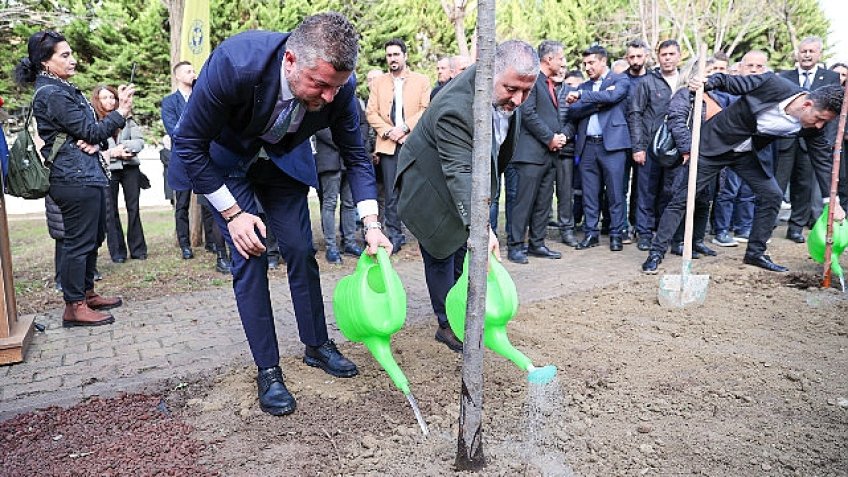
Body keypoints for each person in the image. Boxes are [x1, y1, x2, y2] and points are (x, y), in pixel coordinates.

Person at [170, 13, 391, 417]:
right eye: (319, 85)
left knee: (300, 249)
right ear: (290, 61)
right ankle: (268, 370)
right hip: (227, 162)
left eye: (335, 87)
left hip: (283, 161)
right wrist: (234, 214)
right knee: (250, 254)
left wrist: (372, 224)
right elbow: (187, 142)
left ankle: (316, 345)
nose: (328, 97)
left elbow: (356, 154)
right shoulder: (235, 64)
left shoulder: (339, 88)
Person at [396, 40, 539, 352]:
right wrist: (481, 227)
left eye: (526, 92)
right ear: (491, 74)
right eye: (511, 89)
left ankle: (463, 310)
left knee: (465, 250)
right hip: (429, 189)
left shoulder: (505, 84)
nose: (518, 100)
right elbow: (460, 172)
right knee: (441, 252)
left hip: (462, 182)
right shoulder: (456, 109)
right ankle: (446, 324)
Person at [641, 72, 845, 274]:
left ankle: (755, 253)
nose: (819, 125)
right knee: (682, 198)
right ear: (807, 104)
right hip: (713, 145)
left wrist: (832, 202)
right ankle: (656, 253)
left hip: (746, 153)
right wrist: (705, 82)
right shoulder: (773, 84)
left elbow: (823, 162)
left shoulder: (812, 128)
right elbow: (728, 81)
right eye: (819, 119)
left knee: (772, 195)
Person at [14, 30, 128, 326]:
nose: (73, 60)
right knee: (78, 242)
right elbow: (91, 130)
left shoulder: (61, 88)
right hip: (72, 178)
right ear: (45, 62)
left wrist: (96, 140)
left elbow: (92, 134)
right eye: (64, 55)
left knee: (92, 238)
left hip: (86, 174)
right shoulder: (52, 93)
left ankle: (86, 293)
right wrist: (121, 113)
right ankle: (73, 305)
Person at [366, 38, 431, 253]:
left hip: (412, 143)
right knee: (391, 192)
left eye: (396, 54)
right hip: (387, 145)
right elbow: (370, 112)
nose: (392, 59)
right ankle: (394, 234)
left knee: (415, 189)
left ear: (405, 56)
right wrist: (388, 131)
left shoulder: (421, 81)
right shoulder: (378, 83)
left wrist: (404, 129)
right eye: (389, 55)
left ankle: (422, 234)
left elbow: (426, 109)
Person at [775, 37, 841, 243]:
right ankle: (767, 224)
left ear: (819, 54)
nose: (807, 55)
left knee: (803, 184)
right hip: (786, 139)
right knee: (778, 183)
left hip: (812, 140)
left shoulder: (831, 77)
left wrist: (827, 141)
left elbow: (832, 114)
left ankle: (796, 227)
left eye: (811, 51)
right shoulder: (785, 76)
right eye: (803, 51)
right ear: (798, 53)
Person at [566, 45, 632, 252]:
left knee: (615, 193)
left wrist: (583, 98)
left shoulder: (620, 80)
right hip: (588, 147)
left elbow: (613, 97)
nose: (587, 67)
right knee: (589, 194)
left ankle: (616, 234)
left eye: (591, 62)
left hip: (613, 146)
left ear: (603, 61)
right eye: (585, 63)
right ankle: (591, 234)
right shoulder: (583, 86)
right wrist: (597, 101)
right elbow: (573, 112)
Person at [507, 40, 567, 264]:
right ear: (548, 59)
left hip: (548, 155)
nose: (563, 63)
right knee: (523, 202)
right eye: (560, 58)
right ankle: (515, 246)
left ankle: (537, 243)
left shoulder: (550, 83)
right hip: (530, 154)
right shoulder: (532, 81)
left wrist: (558, 137)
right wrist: (550, 137)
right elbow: (528, 113)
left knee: (543, 201)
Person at [92, 85, 148, 263]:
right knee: (110, 211)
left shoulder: (128, 119)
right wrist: (114, 152)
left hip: (130, 167)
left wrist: (125, 149)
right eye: (105, 98)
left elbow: (139, 141)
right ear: (98, 101)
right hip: (109, 169)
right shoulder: (95, 122)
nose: (109, 101)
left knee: (134, 208)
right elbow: (96, 144)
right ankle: (117, 252)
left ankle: (138, 250)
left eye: (112, 97)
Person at [161, 61, 196, 260]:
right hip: (182, 158)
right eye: (188, 71)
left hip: (205, 156)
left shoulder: (202, 97)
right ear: (178, 76)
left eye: (193, 70)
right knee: (181, 204)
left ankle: (213, 243)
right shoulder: (169, 102)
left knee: (210, 202)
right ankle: (185, 245)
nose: (193, 74)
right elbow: (173, 129)